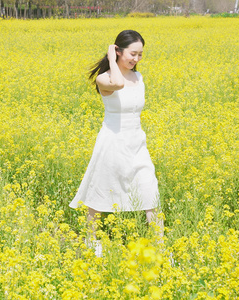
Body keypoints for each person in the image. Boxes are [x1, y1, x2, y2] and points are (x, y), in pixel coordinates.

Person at [69, 30, 164, 257]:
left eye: (140, 55)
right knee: (101, 193)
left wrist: (119, 59)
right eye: (133, 54)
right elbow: (118, 85)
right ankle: (91, 241)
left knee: (150, 191)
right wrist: (111, 60)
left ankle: (161, 249)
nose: (136, 59)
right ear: (118, 50)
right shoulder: (105, 79)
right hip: (112, 142)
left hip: (137, 142)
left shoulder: (138, 78)